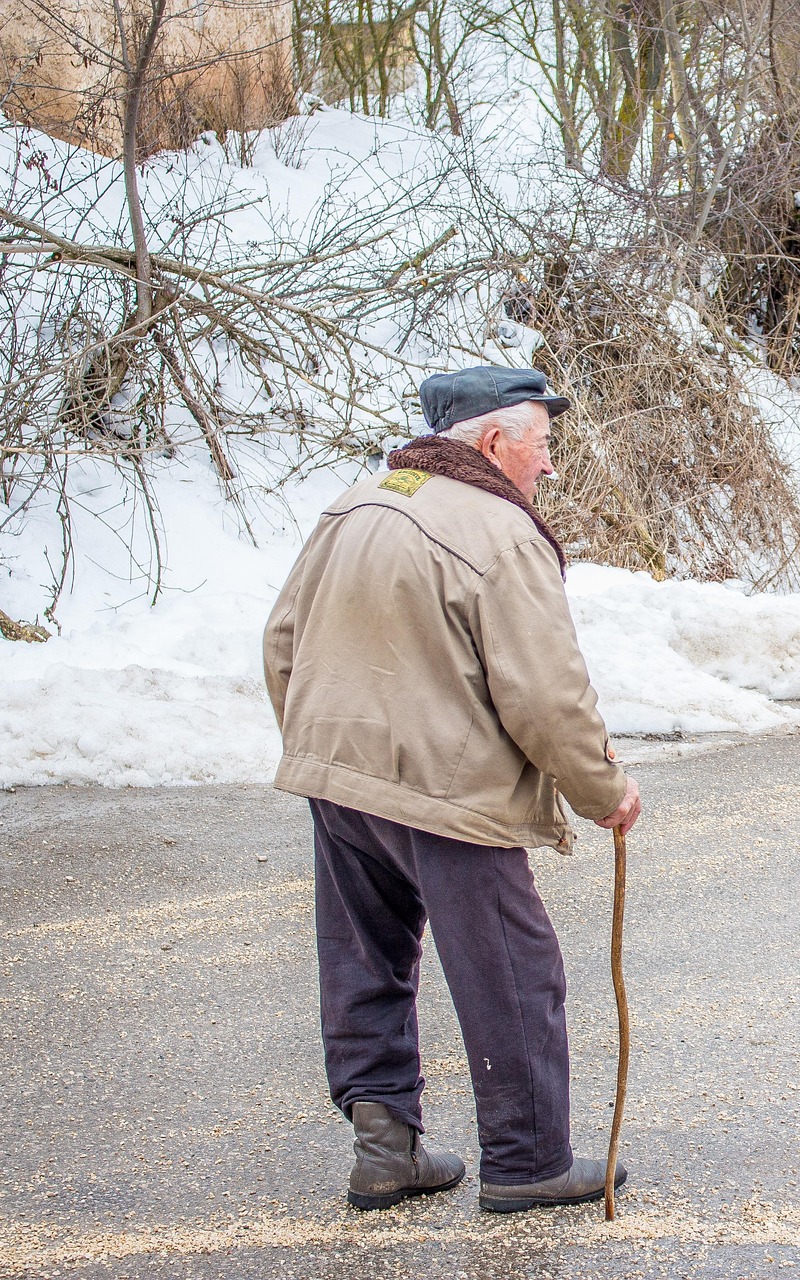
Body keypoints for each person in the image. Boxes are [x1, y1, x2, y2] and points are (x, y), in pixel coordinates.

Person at [263, 366, 641, 1214]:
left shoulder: (355, 504)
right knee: (514, 970)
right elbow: (546, 694)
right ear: (496, 441)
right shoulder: (500, 532)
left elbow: (282, 640)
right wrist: (601, 789)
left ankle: (386, 1150)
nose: (548, 468)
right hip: (444, 788)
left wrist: (321, 744)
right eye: (541, 446)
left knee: (366, 961)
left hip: (339, 775)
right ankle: (530, 1162)